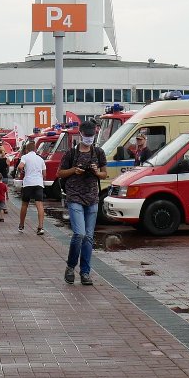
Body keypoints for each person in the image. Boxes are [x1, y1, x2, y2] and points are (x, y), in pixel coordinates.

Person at [55, 118, 109, 286]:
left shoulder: (99, 152)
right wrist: (74, 170)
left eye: (92, 135)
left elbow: (104, 174)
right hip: (75, 196)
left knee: (89, 237)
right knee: (80, 234)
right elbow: (59, 173)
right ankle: (71, 267)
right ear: (81, 134)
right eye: (86, 135)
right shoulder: (71, 153)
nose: (89, 138)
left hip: (92, 197)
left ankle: (85, 272)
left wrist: (96, 172)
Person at [16, 143, 49, 235]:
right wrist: (41, 180)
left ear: (26, 150)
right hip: (38, 183)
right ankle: (40, 227)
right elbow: (45, 174)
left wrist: (21, 171)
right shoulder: (40, 159)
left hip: (28, 183)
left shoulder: (25, 157)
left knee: (24, 205)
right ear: (35, 149)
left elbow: (20, 166)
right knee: (39, 205)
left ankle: (21, 225)